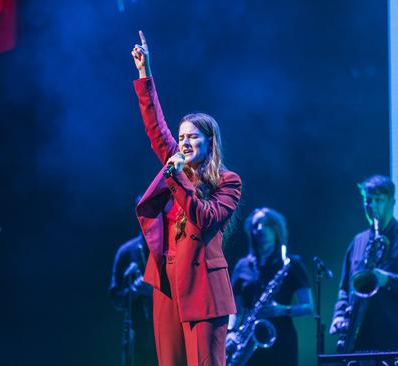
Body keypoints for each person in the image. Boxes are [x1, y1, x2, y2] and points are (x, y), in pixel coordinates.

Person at [131, 31, 242, 366]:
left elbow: (204, 217)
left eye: (192, 137)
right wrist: (144, 73)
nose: (184, 143)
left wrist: (177, 175)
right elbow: (155, 126)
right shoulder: (174, 165)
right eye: (181, 138)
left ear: (210, 142)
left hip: (204, 291)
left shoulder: (228, 182)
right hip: (167, 285)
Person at [330, 175, 398, 351]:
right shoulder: (358, 241)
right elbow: (344, 288)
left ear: (392, 202)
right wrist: (339, 315)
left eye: (379, 200)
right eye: (368, 200)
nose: (372, 206)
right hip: (360, 342)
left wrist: (389, 280)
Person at [228, 207, 314, 365]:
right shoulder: (242, 265)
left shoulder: (291, 264)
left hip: (282, 340)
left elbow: (308, 307)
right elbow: (235, 308)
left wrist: (282, 309)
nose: (260, 229)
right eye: (255, 225)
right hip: (248, 340)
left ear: (276, 229)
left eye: (266, 224)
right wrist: (231, 331)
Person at [109, 230, 157, 366]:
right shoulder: (126, 251)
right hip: (138, 337)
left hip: (167, 335)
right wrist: (134, 291)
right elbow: (116, 298)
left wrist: (155, 292)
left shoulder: (171, 250)